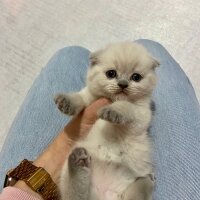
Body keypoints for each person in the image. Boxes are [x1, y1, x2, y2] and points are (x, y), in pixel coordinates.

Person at [0, 39, 200, 200]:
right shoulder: (96, 92)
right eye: (111, 74)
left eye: (136, 78)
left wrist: (122, 111)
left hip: (120, 167)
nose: (122, 84)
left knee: (68, 54)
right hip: (105, 168)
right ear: (94, 66)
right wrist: (73, 102)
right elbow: (83, 97)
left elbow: (138, 117)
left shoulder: (140, 104)